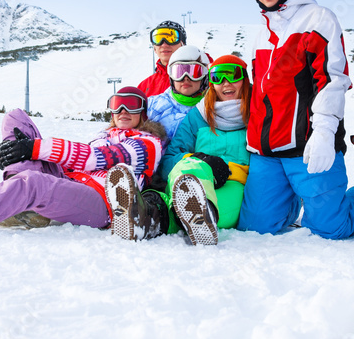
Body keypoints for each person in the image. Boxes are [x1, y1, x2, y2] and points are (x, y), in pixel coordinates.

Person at [0, 86, 166, 233]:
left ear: (143, 112)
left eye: (131, 104)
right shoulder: (102, 135)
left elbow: (98, 158)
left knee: (33, 183)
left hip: (100, 203)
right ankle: (23, 204)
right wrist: (21, 149)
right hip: (68, 181)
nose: (122, 110)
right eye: (116, 104)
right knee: (16, 119)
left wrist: (34, 150)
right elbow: (77, 160)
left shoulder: (149, 143)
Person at [236, 0, 354, 240]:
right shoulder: (260, 34)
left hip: (309, 147)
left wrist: (324, 132)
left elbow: (332, 80)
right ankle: (292, 201)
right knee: (255, 230)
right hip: (266, 153)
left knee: (331, 228)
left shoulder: (318, 19)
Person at [108, 55, 251, 246]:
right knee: (188, 168)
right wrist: (200, 159)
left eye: (233, 75)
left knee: (218, 205)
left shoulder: (256, 113)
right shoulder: (199, 116)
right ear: (211, 82)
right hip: (190, 178)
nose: (226, 83)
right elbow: (170, 158)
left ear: (245, 79)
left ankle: (152, 217)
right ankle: (159, 210)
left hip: (233, 181)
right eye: (217, 77)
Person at [145, 45, 210, 141]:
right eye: (179, 72)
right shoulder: (152, 106)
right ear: (171, 76)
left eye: (194, 72)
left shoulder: (214, 107)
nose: (186, 77)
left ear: (204, 77)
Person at [138, 20, 187, 97]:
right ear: (154, 48)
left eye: (171, 38)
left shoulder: (196, 78)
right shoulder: (144, 86)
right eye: (158, 39)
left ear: (182, 45)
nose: (164, 44)